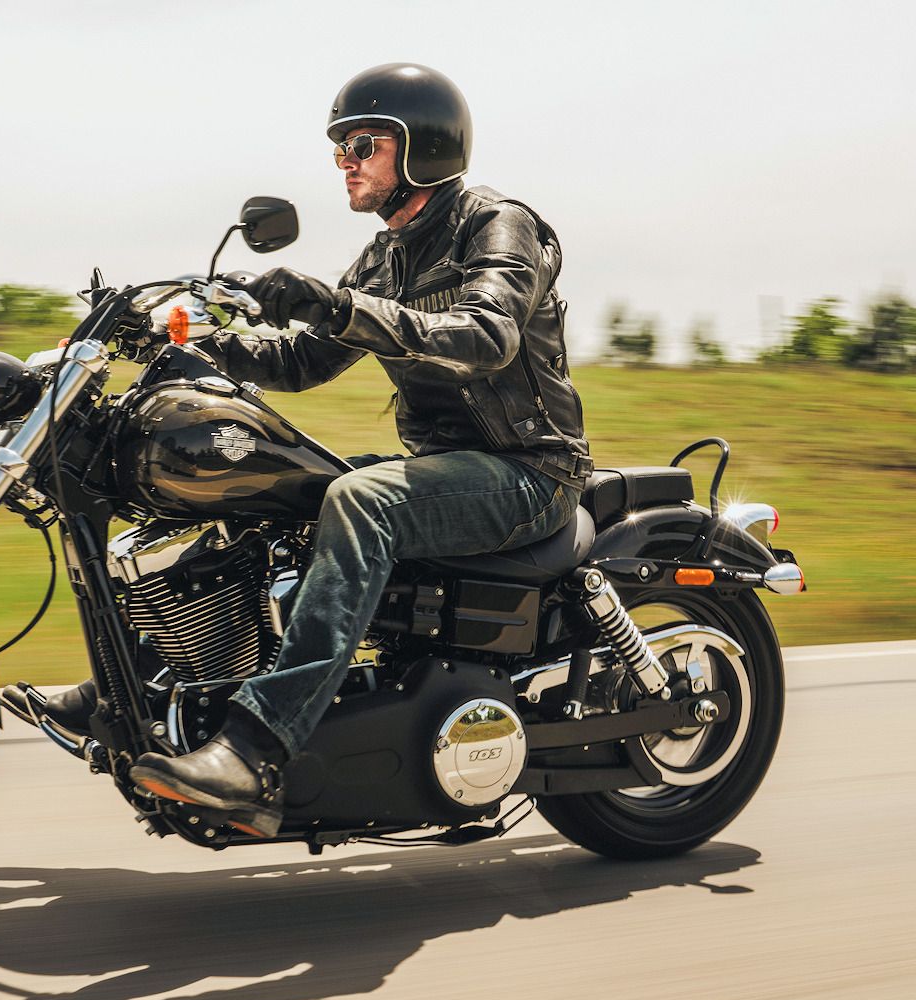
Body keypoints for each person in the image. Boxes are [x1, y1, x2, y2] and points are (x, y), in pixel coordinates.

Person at [125, 62, 595, 837]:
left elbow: (486, 335)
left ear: (425, 148)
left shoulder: (497, 224)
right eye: (339, 147)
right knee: (278, 489)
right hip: (446, 471)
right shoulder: (384, 258)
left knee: (359, 499)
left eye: (364, 144)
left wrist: (338, 306)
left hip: (529, 470)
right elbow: (302, 361)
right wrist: (200, 347)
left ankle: (257, 749)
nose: (345, 161)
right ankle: (145, 681)